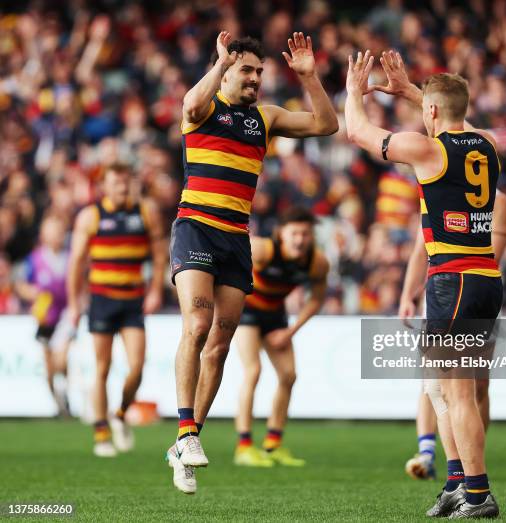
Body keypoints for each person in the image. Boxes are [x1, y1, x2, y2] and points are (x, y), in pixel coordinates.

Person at [166, 31, 337, 495]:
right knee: (197, 326)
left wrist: (310, 77)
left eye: (260, 72)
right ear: (227, 70)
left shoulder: (265, 118)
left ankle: (187, 441)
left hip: (236, 238)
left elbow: (326, 125)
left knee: (220, 344)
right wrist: (220, 64)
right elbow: (188, 103)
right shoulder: (205, 109)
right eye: (247, 69)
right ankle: (184, 431)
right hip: (196, 227)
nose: (256, 78)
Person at [345, 50, 502, 517]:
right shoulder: (488, 143)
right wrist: (414, 92)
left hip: (453, 280)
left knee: (457, 391)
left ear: (430, 112)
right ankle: (457, 481)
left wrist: (355, 91)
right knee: (439, 386)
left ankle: (478, 493)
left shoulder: (426, 149)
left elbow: (356, 132)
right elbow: (448, 118)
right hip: (483, 276)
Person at [400, 191, 506, 480]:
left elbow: (492, 253)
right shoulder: (438, 187)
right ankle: (428, 454)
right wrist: (406, 295)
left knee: (477, 385)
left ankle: (470, 459)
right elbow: (418, 249)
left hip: (474, 292)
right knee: (434, 379)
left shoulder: (499, 200)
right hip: (443, 291)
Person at [67, 163, 165, 457]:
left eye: (126, 182)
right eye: (116, 183)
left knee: (137, 368)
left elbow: (160, 255)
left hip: (133, 299)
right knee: (102, 367)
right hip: (101, 299)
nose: (122, 188)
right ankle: (101, 434)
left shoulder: (146, 212)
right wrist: (74, 302)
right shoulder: (91, 216)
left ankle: (121, 414)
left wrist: (156, 290)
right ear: (105, 187)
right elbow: (76, 263)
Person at [234, 206, 328, 467]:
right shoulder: (263, 249)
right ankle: (244, 447)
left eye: (306, 234)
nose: (300, 239)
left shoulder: (317, 262)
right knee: (253, 371)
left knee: (289, 376)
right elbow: (228, 266)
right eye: (295, 233)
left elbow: (316, 300)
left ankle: (273, 444)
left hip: (276, 317)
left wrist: (290, 331)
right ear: (281, 234)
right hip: (247, 310)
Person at [15, 215, 71, 416]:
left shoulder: (70, 257)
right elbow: (21, 285)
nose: (56, 236)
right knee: (49, 367)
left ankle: (65, 391)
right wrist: (31, 293)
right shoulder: (35, 259)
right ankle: (58, 401)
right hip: (45, 317)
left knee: (62, 357)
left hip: (65, 316)